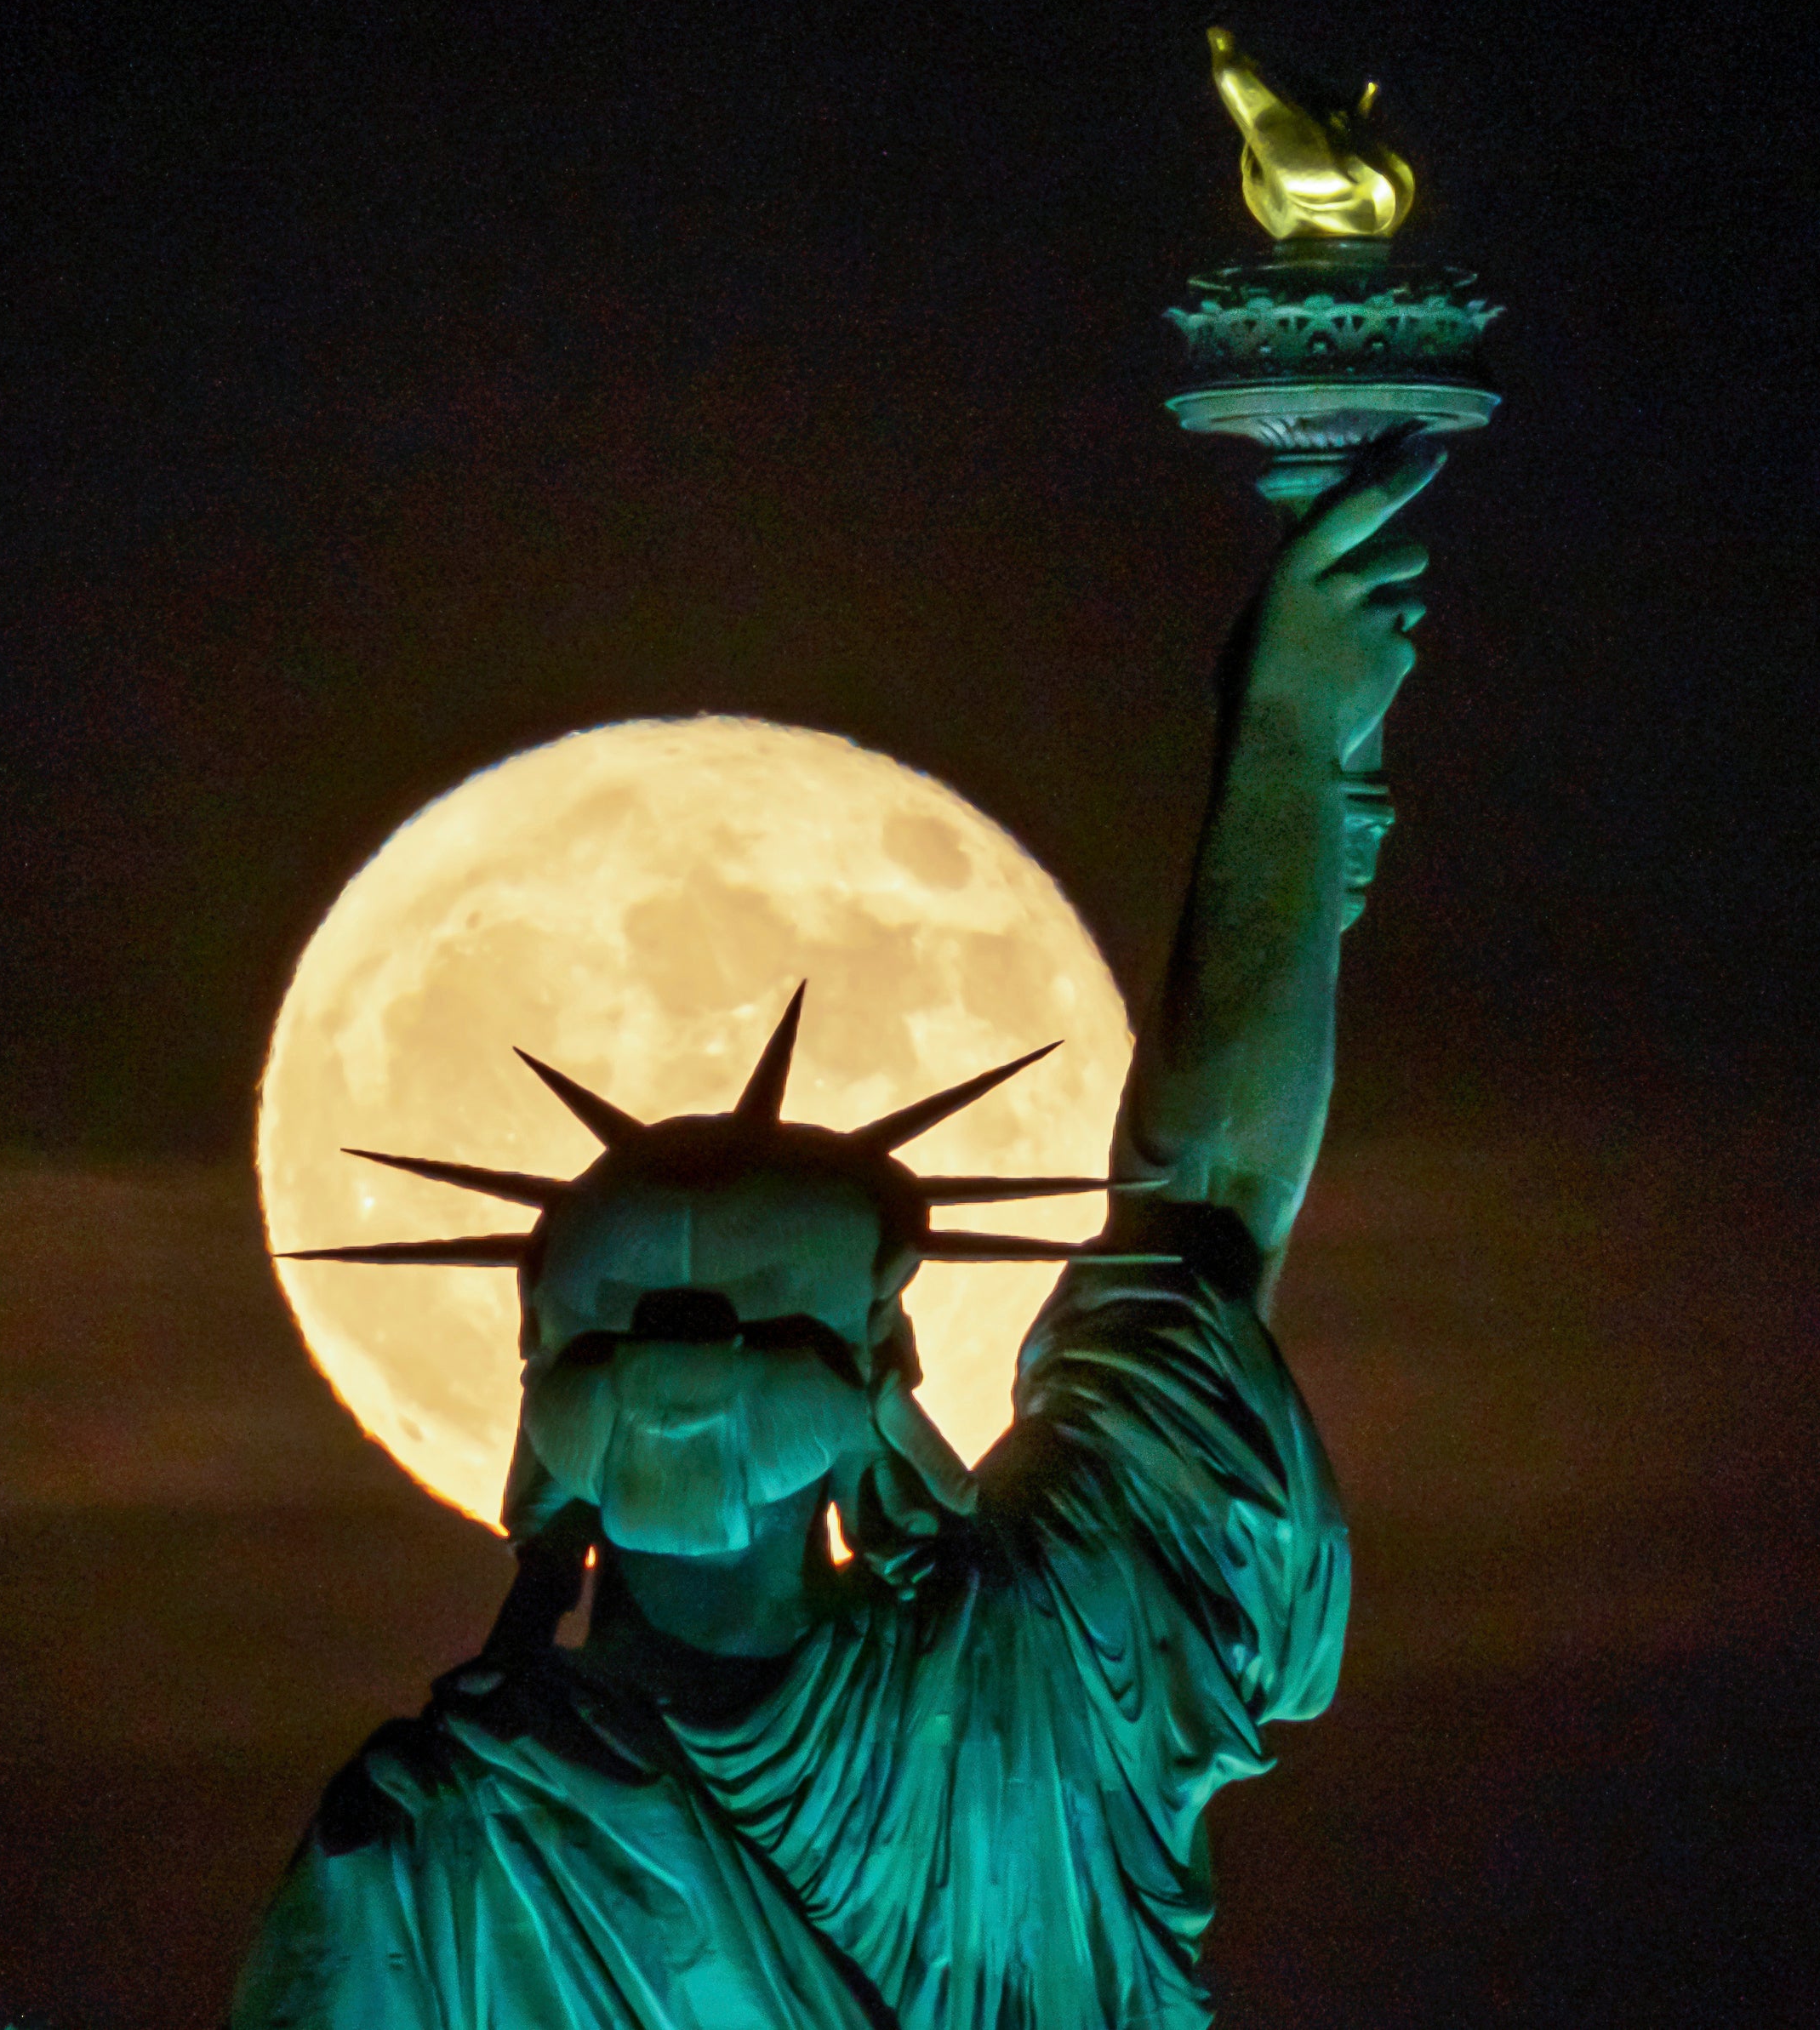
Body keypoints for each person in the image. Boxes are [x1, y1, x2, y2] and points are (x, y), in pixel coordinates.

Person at [231, 434, 1446, 2030]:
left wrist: (1289, 732)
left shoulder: (428, 1840)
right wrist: (1290, 734)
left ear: (542, 1418)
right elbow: (1211, 1194)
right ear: (884, 1376)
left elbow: (1207, 1202)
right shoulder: (1053, 1669)